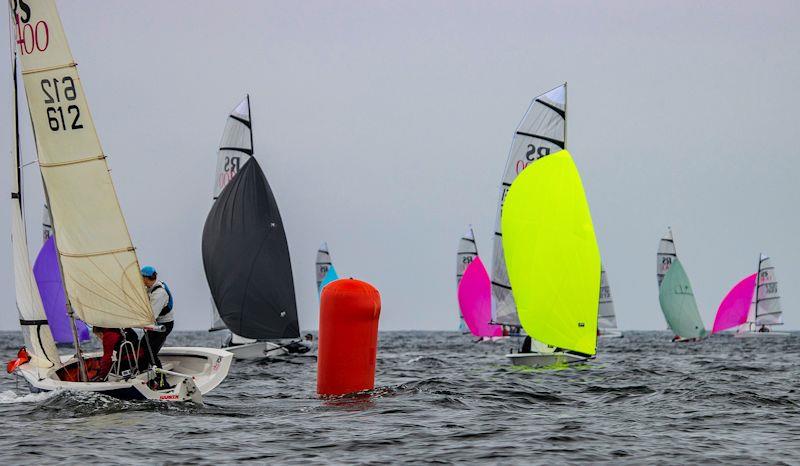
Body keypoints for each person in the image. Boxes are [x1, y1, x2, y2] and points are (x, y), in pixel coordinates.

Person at [139, 265, 174, 369]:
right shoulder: (151, 287)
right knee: (141, 348)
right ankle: (143, 372)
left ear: (145, 278)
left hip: (163, 326)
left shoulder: (159, 293)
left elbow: (152, 316)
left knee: (150, 353)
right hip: (155, 325)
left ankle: (161, 380)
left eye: (141, 277)